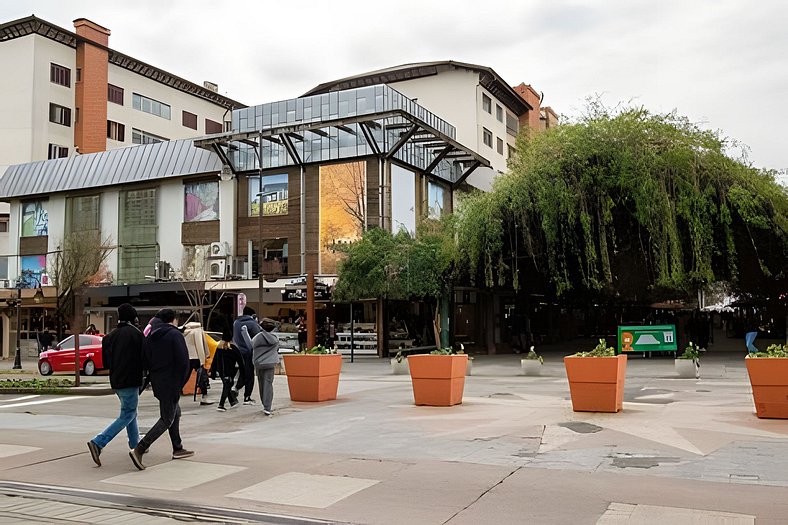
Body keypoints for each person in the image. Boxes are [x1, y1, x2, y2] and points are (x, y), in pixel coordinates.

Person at [129, 309, 193, 470]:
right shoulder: (175, 335)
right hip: (171, 382)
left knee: (174, 412)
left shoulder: (152, 336)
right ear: (174, 320)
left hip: (157, 381)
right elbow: (184, 362)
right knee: (167, 418)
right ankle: (140, 448)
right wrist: (181, 382)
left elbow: (146, 359)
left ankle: (177, 447)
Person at [86, 304, 143, 467]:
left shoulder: (109, 337)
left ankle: (135, 444)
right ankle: (98, 442)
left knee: (130, 412)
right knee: (127, 413)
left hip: (116, 380)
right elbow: (144, 358)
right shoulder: (136, 334)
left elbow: (105, 362)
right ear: (134, 318)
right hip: (131, 380)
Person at [242, 318, 279, 416]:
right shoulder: (274, 338)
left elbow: (250, 346)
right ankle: (267, 407)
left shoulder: (258, 337)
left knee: (261, 384)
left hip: (259, 363)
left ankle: (264, 404)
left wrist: (245, 333)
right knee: (268, 384)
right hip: (270, 363)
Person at [232, 306, 261, 405]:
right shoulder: (252, 324)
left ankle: (235, 388)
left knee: (242, 373)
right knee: (249, 375)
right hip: (248, 352)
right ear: (252, 315)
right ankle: (247, 397)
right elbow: (258, 337)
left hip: (237, 351)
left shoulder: (236, 323)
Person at [210, 331, 243, 411]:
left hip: (221, 371)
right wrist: (243, 370)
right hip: (230, 370)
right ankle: (221, 405)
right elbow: (240, 360)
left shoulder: (219, 348)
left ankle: (232, 401)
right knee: (227, 385)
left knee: (227, 384)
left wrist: (213, 372)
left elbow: (214, 361)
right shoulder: (233, 348)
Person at [182, 321, 212, 406]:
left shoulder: (185, 332)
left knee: (185, 376)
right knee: (202, 376)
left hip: (187, 356)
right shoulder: (198, 331)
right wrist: (205, 356)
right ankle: (204, 396)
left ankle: (176, 392)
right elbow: (201, 344)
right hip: (196, 357)